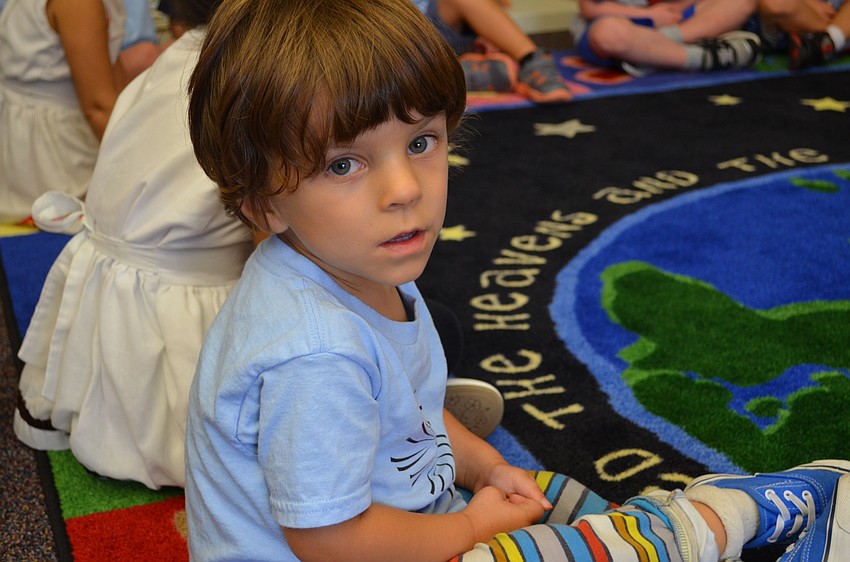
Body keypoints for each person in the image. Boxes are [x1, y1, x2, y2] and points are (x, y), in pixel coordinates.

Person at [183, 0, 850, 561]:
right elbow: (330, 541)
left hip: (406, 514)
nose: (405, 189)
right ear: (260, 203)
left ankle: (649, 531)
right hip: (360, 545)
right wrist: (472, 525)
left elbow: (414, 411)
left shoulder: (355, 263)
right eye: (343, 165)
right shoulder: (315, 351)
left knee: (553, 496)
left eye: (421, 143)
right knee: (586, 543)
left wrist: (486, 469)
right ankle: (730, 522)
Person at [12, 0, 255, 489]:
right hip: (177, 296)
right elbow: (274, 225)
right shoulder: (252, 77)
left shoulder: (175, 55)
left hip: (118, 278)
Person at [0, 0, 127, 224]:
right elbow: (98, 107)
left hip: (29, 129)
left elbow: (110, 66)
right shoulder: (77, 4)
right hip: (50, 150)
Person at [412, 0, 572, 103]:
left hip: (433, 23)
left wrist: (482, 28)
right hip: (398, 38)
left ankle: (531, 59)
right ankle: (455, 74)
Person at [573, 0, 763, 77]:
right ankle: (704, 57)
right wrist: (649, 15)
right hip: (621, 23)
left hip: (673, 25)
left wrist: (675, 10)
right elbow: (591, 8)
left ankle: (652, 54)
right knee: (610, 33)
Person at [758, 0, 849, 69]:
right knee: (776, 3)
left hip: (840, 17)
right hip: (795, 18)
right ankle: (825, 43)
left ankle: (828, 41)